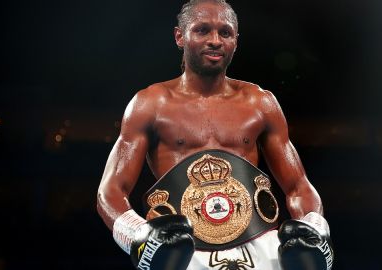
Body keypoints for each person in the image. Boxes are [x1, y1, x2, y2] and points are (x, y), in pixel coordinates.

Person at [97, 0, 334, 269]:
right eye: (202, 30)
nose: (215, 40)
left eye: (225, 32)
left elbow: (298, 186)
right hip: (184, 251)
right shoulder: (150, 104)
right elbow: (111, 191)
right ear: (179, 36)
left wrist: (314, 227)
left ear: (235, 41)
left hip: (260, 244)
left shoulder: (260, 103)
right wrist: (139, 236)